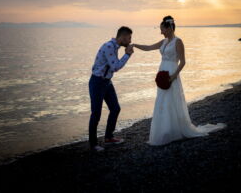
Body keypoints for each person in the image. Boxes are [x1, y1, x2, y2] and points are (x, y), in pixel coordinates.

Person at [133, 16, 226, 146]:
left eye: (162, 29)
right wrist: (135, 45)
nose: (161, 32)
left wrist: (174, 76)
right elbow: (148, 47)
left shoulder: (178, 42)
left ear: (170, 28)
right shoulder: (163, 42)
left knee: (172, 101)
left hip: (172, 72)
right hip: (162, 71)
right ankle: (165, 131)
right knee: (163, 101)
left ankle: (175, 130)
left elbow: (183, 62)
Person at [88, 26, 134, 152]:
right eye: (129, 38)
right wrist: (128, 55)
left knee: (115, 108)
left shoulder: (115, 47)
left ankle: (108, 137)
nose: (130, 41)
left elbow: (112, 67)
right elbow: (115, 67)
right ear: (123, 37)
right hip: (97, 82)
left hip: (106, 82)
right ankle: (93, 144)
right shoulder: (109, 46)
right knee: (96, 114)